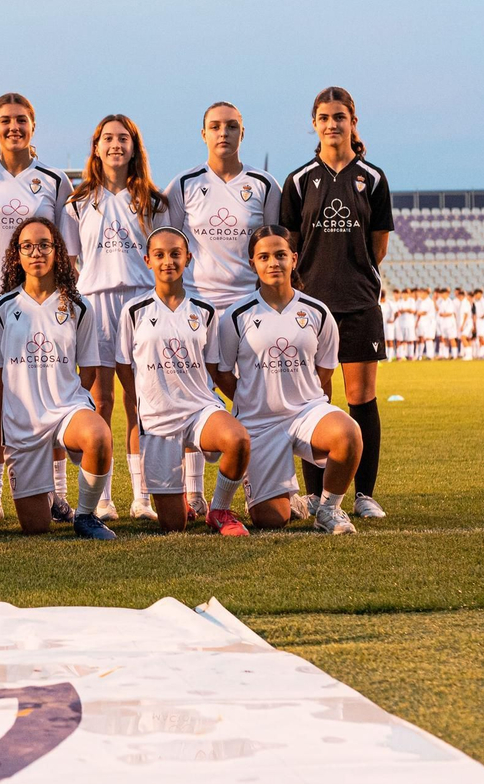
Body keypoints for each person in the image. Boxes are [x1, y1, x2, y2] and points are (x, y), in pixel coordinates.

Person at [0, 93, 73, 523]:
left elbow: (63, 245)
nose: (13, 128)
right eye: (5, 121)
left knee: (53, 394)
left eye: (21, 120)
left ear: (33, 126)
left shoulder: (55, 180)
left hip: (43, 301)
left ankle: (58, 494)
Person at [163, 101, 281, 513]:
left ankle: (258, 485)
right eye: (215, 126)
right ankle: (193, 493)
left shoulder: (264, 185)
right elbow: (172, 249)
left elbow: (271, 246)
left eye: (231, 126)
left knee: (255, 396)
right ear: (203, 134)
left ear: (242, 133)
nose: (223, 133)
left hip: (249, 310)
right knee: (194, 397)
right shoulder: (184, 185)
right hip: (198, 308)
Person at [280, 87, 392, 520]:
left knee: (362, 400)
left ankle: (363, 494)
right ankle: (315, 495)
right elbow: (290, 245)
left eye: (340, 117)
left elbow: (377, 248)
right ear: (315, 124)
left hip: (360, 303)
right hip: (310, 309)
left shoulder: (374, 179)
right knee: (315, 402)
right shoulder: (298, 180)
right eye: (324, 117)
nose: (332, 124)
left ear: (353, 122)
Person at [218, 226, 363, 534]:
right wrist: (250, 399)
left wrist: (311, 401)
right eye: (264, 257)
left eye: (281, 255)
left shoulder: (317, 312)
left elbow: (324, 372)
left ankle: (328, 509)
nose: (274, 263)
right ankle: (287, 499)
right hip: (259, 423)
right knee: (271, 521)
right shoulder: (235, 315)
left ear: (294, 259)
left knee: (348, 433)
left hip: (305, 412)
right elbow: (222, 372)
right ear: (252, 263)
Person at [63, 114, 170, 521]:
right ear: (96, 147)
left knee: (141, 402)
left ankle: (142, 496)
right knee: (100, 401)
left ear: (134, 146)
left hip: (140, 305)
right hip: (95, 305)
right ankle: (101, 497)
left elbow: (164, 255)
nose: (115, 145)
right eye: (107, 138)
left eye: (123, 138)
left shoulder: (153, 201)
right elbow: (71, 262)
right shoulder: (77, 202)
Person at [0, 216, 115, 539]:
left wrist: (64, 396)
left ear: (57, 251)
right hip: (22, 425)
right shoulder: (1, 309)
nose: (36, 252)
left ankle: (85, 516)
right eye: (27, 246)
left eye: (44, 245)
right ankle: (49, 497)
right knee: (35, 527)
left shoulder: (78, 306)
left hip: (66, 410)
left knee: (98, 435)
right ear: (16, 255)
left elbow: (90, 370)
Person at [117, 227, 251, 535]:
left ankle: (219, 510)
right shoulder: (133, 311)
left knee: (238, 439)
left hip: (198, 408)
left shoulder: (203, 310)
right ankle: (180, 504)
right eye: (160, 255)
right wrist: (143, 399)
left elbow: (214, 366)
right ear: (147, 259)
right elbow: (123, 365)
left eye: (175, 254)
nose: (168, 261)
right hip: (158, 419)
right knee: (173, 525)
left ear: (188, 258)